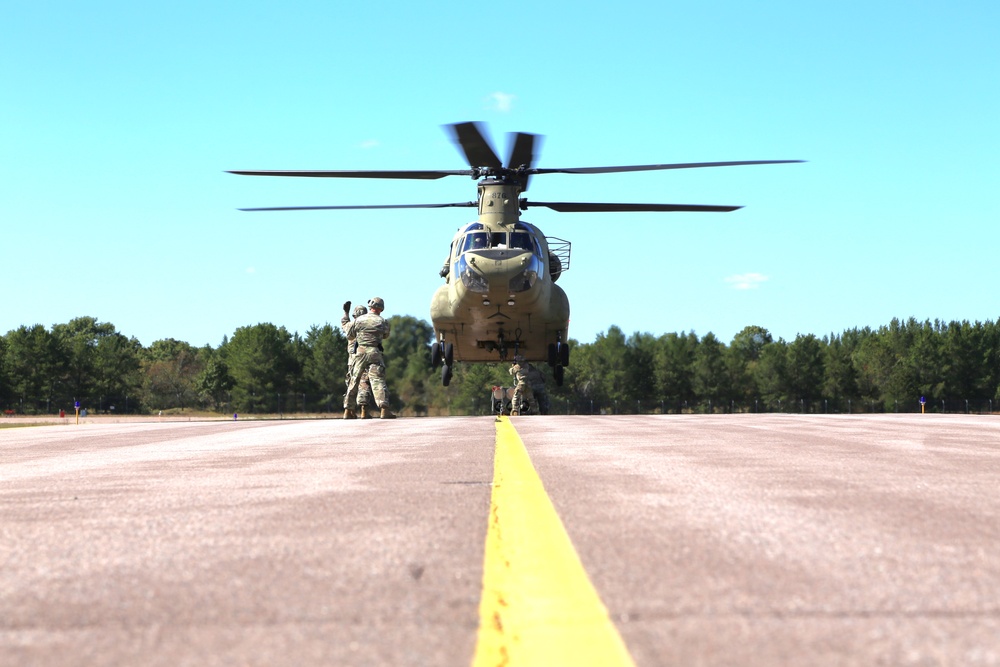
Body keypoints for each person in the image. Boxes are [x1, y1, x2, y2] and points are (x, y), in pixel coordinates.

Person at [343, 296, 395, 419]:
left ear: (370, 306)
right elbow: (386, 335)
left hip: (359, 353)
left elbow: (350, 335)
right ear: (381, 309)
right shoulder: (383, 321)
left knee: (354, 381)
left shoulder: (359, 320)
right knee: (378, 381)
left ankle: (348, 410)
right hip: (374, 352)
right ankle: (384, 410)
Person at [341, 303, 374, 418]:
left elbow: (344, 324)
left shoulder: (351, 325)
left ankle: (348, 411)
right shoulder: (368, 326)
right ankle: (364, 410)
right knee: (364, 384)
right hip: (365, 356)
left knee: (351, 384)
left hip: (352, 360)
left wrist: (346, 313)